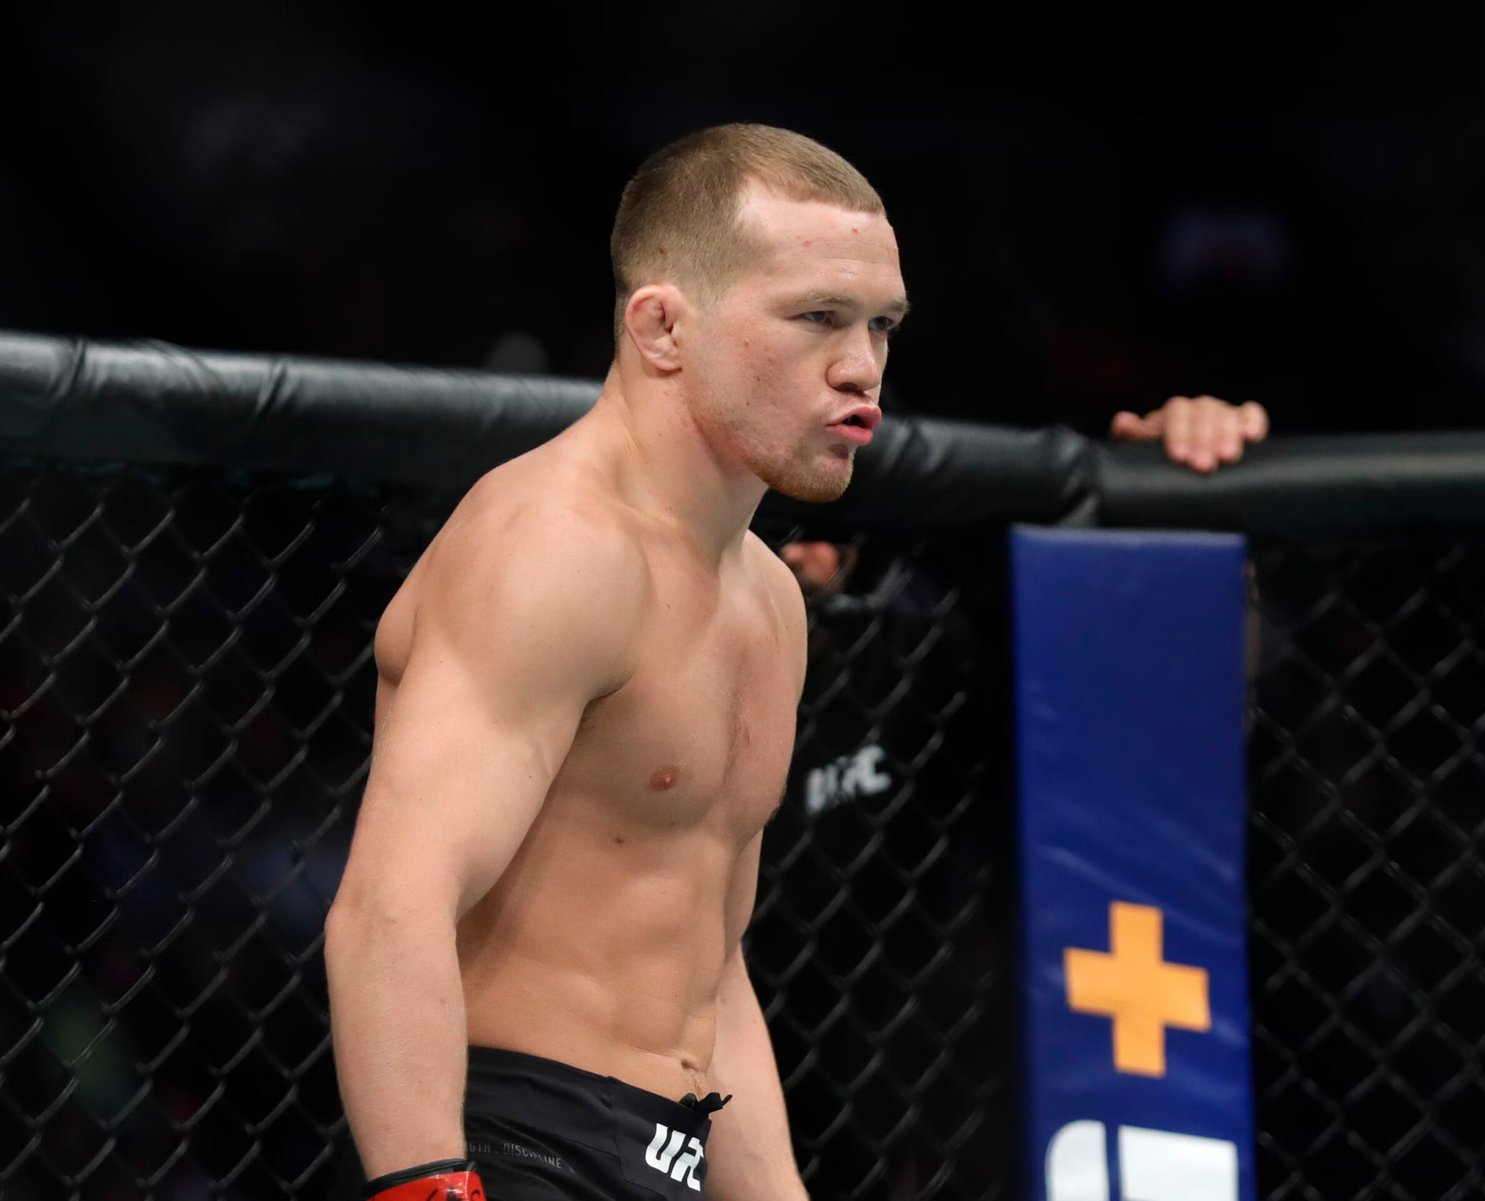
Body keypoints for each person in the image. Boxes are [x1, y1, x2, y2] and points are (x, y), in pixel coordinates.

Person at [323, 123, 1270, 1201]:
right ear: (662, 326)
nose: (861, 365)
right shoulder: (554, 546)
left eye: (881, 324)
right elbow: (391, 904)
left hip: (668, 1152)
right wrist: (430, 1186)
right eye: (817, 316)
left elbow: (709, 975)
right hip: (506, 1141)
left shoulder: (767, 599)